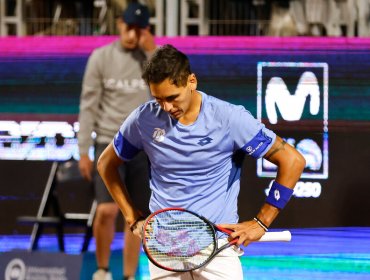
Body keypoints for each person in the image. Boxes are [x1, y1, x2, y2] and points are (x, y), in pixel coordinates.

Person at [97, 44, 306, 280]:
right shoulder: (143, 119)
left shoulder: (229, 118)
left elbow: (292, 160)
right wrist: (131, 217)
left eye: (172, 98)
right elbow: (106, 164)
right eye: (158, 99)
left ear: (191, 81)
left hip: (217, 249)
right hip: (163, 250)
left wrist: (261, 222)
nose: (166, 107)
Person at [77, 2, 156, 280]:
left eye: (138, 28)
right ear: (119, 23)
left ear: (145, 30)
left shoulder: (150, 59)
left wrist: (152, 50)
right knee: (107, 210)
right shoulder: (101, 57)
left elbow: (173, 81)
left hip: (143, 146)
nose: (131, 33)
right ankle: (102, 270)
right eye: (127, 25)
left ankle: (129, 275)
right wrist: (84, 149)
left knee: (135, 216)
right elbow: (88, 105)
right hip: (109, 144)